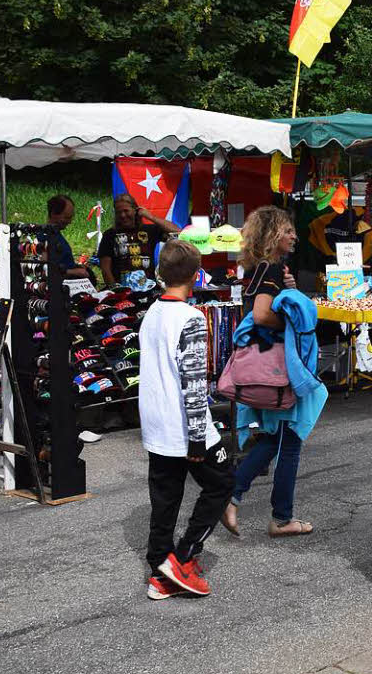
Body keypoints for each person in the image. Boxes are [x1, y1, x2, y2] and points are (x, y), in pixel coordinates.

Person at [222, 206, 327, 538]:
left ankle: (235, 496)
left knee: (272, 438)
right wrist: (295, 323)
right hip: (281, 367)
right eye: (287, 231)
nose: (294, 236)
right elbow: (264, 315)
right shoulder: (271, 268)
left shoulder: (260, 269)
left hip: (264, 367)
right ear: (272, 236)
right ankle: (279, 518)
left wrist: (290, 290)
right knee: (291, 438)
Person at [138, 239, 234, 599]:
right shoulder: (191, 318)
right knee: (221, 482)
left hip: (157, 425)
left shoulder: (152, 312)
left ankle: (160, 570)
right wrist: (197, 435)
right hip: (184, 427)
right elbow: (193, 384)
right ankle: (184, 556)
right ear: (196, 276)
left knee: (165, 498)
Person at [98, 193, 180, 286]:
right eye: (118, 212)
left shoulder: (150, 230)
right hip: (122, 289)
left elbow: (178, 233)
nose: (123, 215)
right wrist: (115, 290)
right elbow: (105, 268)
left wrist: (150, 217)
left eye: (126, 211)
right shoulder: (109, 234)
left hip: (149, 287)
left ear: (135, 210)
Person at [46, 194, 90, 279]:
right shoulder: (45, 238)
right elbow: (45, 270)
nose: (69, 222)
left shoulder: (55, 234)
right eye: (66, 217)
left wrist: (77, 267)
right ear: (53, 214)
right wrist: (74, 272)